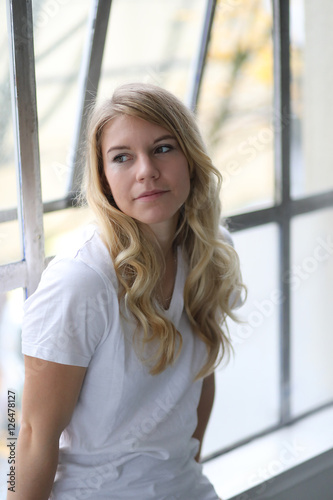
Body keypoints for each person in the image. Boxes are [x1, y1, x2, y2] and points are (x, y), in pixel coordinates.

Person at [8, 82, 245, 499]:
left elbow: (198, 380)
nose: (146, 171)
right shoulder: (80, 282)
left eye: (163, 148)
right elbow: (29, 434)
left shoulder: (211, 252)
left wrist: (185, 471)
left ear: (191, 157)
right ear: (104, 178)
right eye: (122, 157)